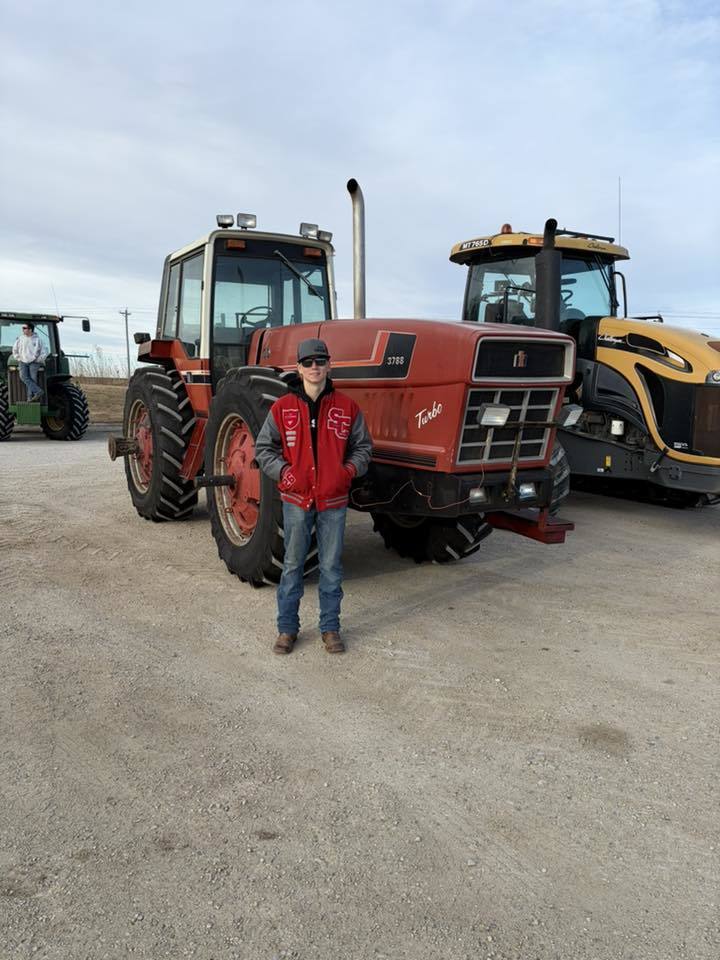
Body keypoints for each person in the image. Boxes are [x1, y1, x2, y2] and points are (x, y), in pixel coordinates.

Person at [255, 338, 372, 655]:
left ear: (329, 365)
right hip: (296, 501)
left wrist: (346, 472)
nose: (314, 367)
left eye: (320, 361)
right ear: (299, 368)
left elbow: (363, 448)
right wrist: (284, 472)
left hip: (333, 502)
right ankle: (287, 630)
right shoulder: (282, 409)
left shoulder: (347, 408)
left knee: (331, 567)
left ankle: (330, 629)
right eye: (308, 362)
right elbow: (264, 449)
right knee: (292, 566)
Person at [12, 321, 46, 401]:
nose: (23, 330)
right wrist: (18, 358)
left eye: (24, 328)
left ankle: (30, 398)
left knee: (33, 378)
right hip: (23, 361)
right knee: (23, 377)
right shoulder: (20, 339)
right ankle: (38, 391)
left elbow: (44, 352)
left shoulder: (38, 340)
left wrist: (38, 359)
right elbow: (15, 350)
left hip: (34, 362)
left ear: (30, 329)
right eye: (23, 328)